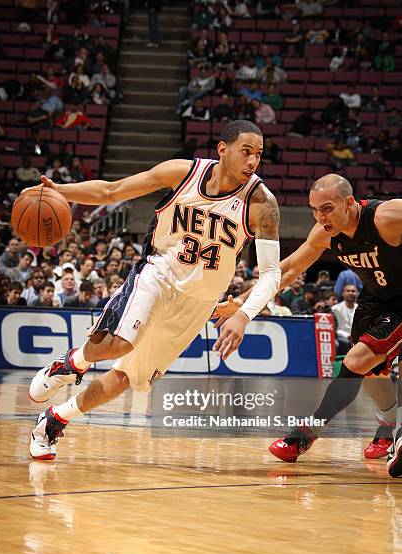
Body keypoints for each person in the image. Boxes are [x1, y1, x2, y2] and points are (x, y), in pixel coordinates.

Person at [26, 120, 281, 460]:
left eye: (258, 155)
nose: (252, 162)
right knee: (118, 343)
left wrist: (245, 315)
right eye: (245, 152)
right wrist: (61, 191)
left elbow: (271, 274)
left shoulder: (263, 204)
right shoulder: (183, 173)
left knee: (124, 379)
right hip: (157, 274)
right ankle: (71, 364)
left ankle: (54, 419)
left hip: (198, 304)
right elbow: (111, 192)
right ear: (223, 150)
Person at [213, 174, 402, 475]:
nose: (320, 216)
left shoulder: (386, 217)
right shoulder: (325, 233)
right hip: (376, 301)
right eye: (314, 209)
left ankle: (304, 435)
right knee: (368, 373)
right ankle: (388, 422)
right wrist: (243, 304)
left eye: (326, 208)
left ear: (349, 203)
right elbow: (286, 269)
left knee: (357, 360)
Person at [332, 283, 358, 355]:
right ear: (343, 293)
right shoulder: (335, 309)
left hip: (357, 337)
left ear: (357, 293)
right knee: (345, 342)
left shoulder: (360, 309)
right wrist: (348, 336)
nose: (350, 293)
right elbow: (335, 329)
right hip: (341, 337)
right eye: (348, 291)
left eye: (353, 291)